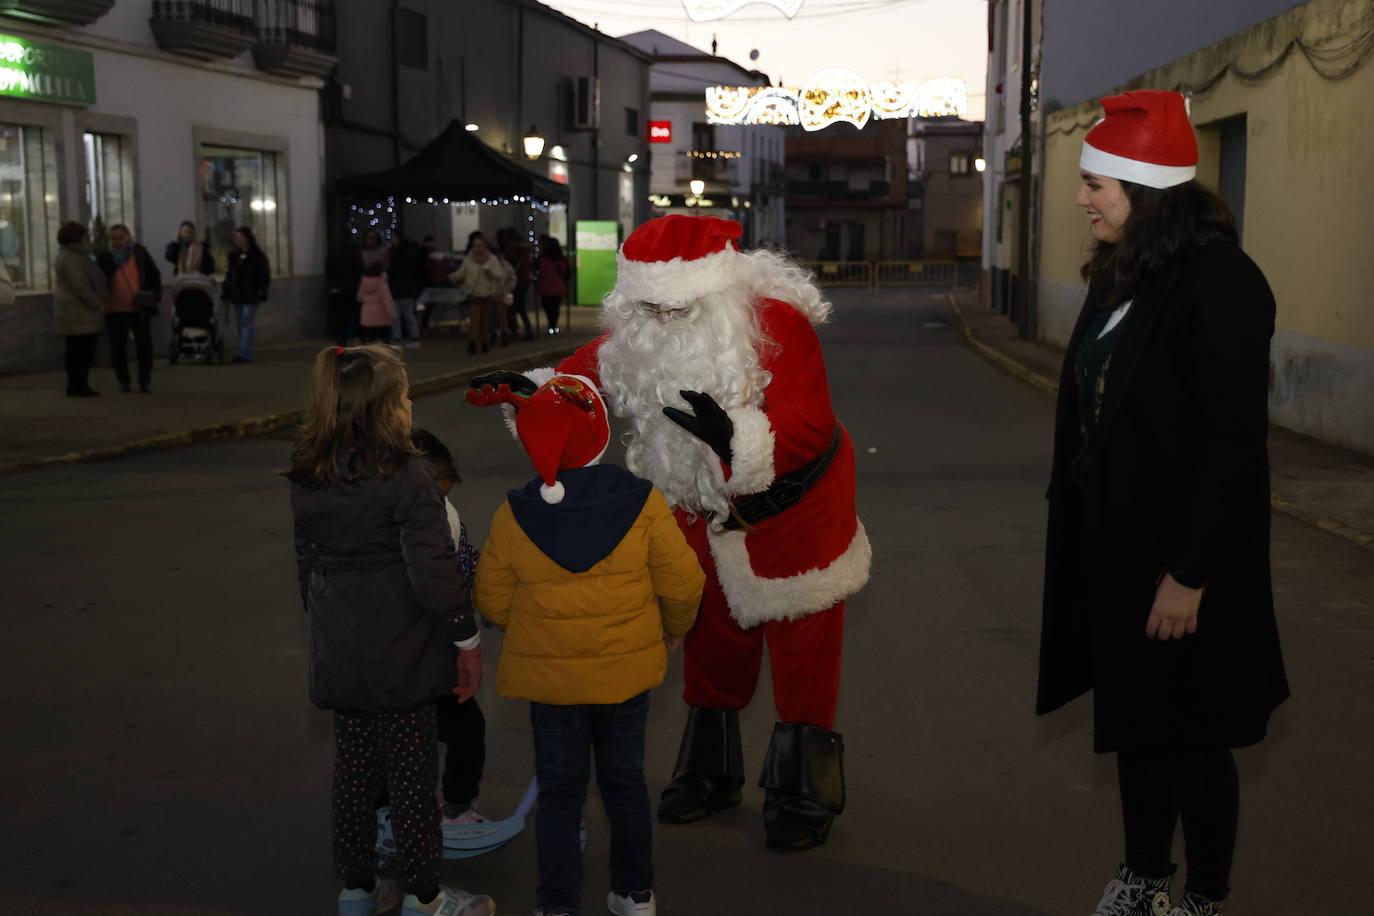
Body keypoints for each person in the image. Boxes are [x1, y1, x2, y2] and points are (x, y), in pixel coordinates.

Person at [471, 214, 870, 853]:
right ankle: (710, 771)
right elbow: (581, 381)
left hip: (796, 510)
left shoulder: (777, 326)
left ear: (716, 291)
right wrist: (537, 394)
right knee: (711, 634)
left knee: (803, 650)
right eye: (649, 309)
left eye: (677, 310)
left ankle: (804, 787)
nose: (661, 322)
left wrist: (734, 437)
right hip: (697, 507)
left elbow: (810, 422)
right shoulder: (638, 331)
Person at [1037, 91, 1289, 916]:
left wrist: (1190, 573)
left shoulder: (1222, 282)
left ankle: (1205, 897)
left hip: (1187, 559)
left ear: (1144, 191)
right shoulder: (1124, 270)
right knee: (1139, 727)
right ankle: (1144, 875)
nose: (1083, 200)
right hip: (1120, 545)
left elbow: (1232, 444)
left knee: (1197, 737)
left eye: (1096, 185)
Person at [468, 373, 704, 916]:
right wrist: (674, 627)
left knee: (559, 793)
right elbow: (684, 583)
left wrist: (531, 631)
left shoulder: (515, 513)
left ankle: (557, 904)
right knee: (625, 783)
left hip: (553, 689)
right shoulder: (642, 502)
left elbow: (491, 597)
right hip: (625, 680)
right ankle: (634, 894)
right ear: (600, 432)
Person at [288, 344, 495, 916]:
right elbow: (434, 569)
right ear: (382, 406)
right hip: (403, 652)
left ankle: (356, 890)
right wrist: (466, 640)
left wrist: (328, 627)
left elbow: (307, 563)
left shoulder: (309, 471)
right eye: (404, 396)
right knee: (411, 779)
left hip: (341, 647)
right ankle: (425, 896)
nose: (409, 406)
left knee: (354, 774)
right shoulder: (408, 472)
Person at [409, 428, 487, 826]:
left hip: (416, 651)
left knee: (403, 739)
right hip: (424, 651)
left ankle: (391, 815)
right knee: (455, 730)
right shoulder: (423, 521)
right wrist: (468, 638)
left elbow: (464, 562)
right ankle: (450, 810)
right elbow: (449, 578)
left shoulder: (439, 513)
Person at [97, 224, 161, 393]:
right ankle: (123, 380)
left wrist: (154, 297)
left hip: (139, 308)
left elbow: (154, 275)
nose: (118, 242)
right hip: (115, 309)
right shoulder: (106, 257)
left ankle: (144, 380)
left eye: (121, 238)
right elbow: (99, 280)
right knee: (118, 347)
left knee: (144, 346)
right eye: (113, 239)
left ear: (128, 237)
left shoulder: (140, 254)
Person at [53, 221, 107, 398]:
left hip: (74, 311)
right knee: (81, 351)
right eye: (85, 237)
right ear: (77, 238)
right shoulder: (72, 257)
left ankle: (76, 385)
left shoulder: (68, 255)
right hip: (78, 311)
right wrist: (96, 302)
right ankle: (79, 386)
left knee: (76, 350)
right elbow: (80, 286)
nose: (87, 240)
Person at [449, 236, 514, 356]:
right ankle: (473, 343)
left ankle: (484, 342)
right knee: (474, 319)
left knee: (485, 320)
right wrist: (454, 277)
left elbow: (499, 276)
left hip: (488, 294)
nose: (476, 248)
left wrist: (491, 273)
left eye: (479, 245)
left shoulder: (492, 260)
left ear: (485, 247)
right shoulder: (468, 259)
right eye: (475, 245)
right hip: (473, 294)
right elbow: (462, 272)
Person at [223, 226, 270, 363]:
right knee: (240, 324)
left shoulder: (258, 256)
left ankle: (244, 353)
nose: (238, 240)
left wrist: (261, 289)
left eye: (241, 237)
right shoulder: (234, 256)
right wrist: (226, 291)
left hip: (251, 295)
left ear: (248, 238)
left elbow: (264, 275)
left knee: (246, 323)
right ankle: (247, 353)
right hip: (237, 295)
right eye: (236, 237)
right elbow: (230, 275)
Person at [498, 227, 534, 342]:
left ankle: (514, 331)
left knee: (512, 307)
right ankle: (528, 330)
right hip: (525, 280)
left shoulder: (512, 250)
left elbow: (508, 263)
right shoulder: (526, 249)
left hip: (515, 280)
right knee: (521, 307)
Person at [328, 236, 366, 346]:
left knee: (340, 318)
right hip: (352, 289)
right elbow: (360, 269)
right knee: (356, 316)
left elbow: (329, 270)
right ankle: (357, 338)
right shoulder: (354, 250)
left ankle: (341, 342)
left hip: (338, 290)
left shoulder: (334, 251)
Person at [388, 232, 423, 348]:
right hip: (405, 287)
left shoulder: (397, 253)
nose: (392, 240)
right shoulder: (408, 252)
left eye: (394, 237)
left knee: (401, 315)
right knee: (406, 314)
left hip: (401, 287)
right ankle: (413, 337)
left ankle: (400, 338)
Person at [535, 236, 569, 335]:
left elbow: (537, 272)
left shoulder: (541, 259)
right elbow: (567, 274)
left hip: (545, 287)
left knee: (547, 307)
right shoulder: (562, 259)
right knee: (555, 308)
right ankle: (553, 326)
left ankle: (551, 326)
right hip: (558, 287)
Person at [357, 262, 397, 344]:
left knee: (369, 341)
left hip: (367, 315)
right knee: (385, 341)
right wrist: (392, 314)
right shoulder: (382, 283)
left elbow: (360, 298)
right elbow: (387, 300)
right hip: (382, 315)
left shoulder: (364, 283)